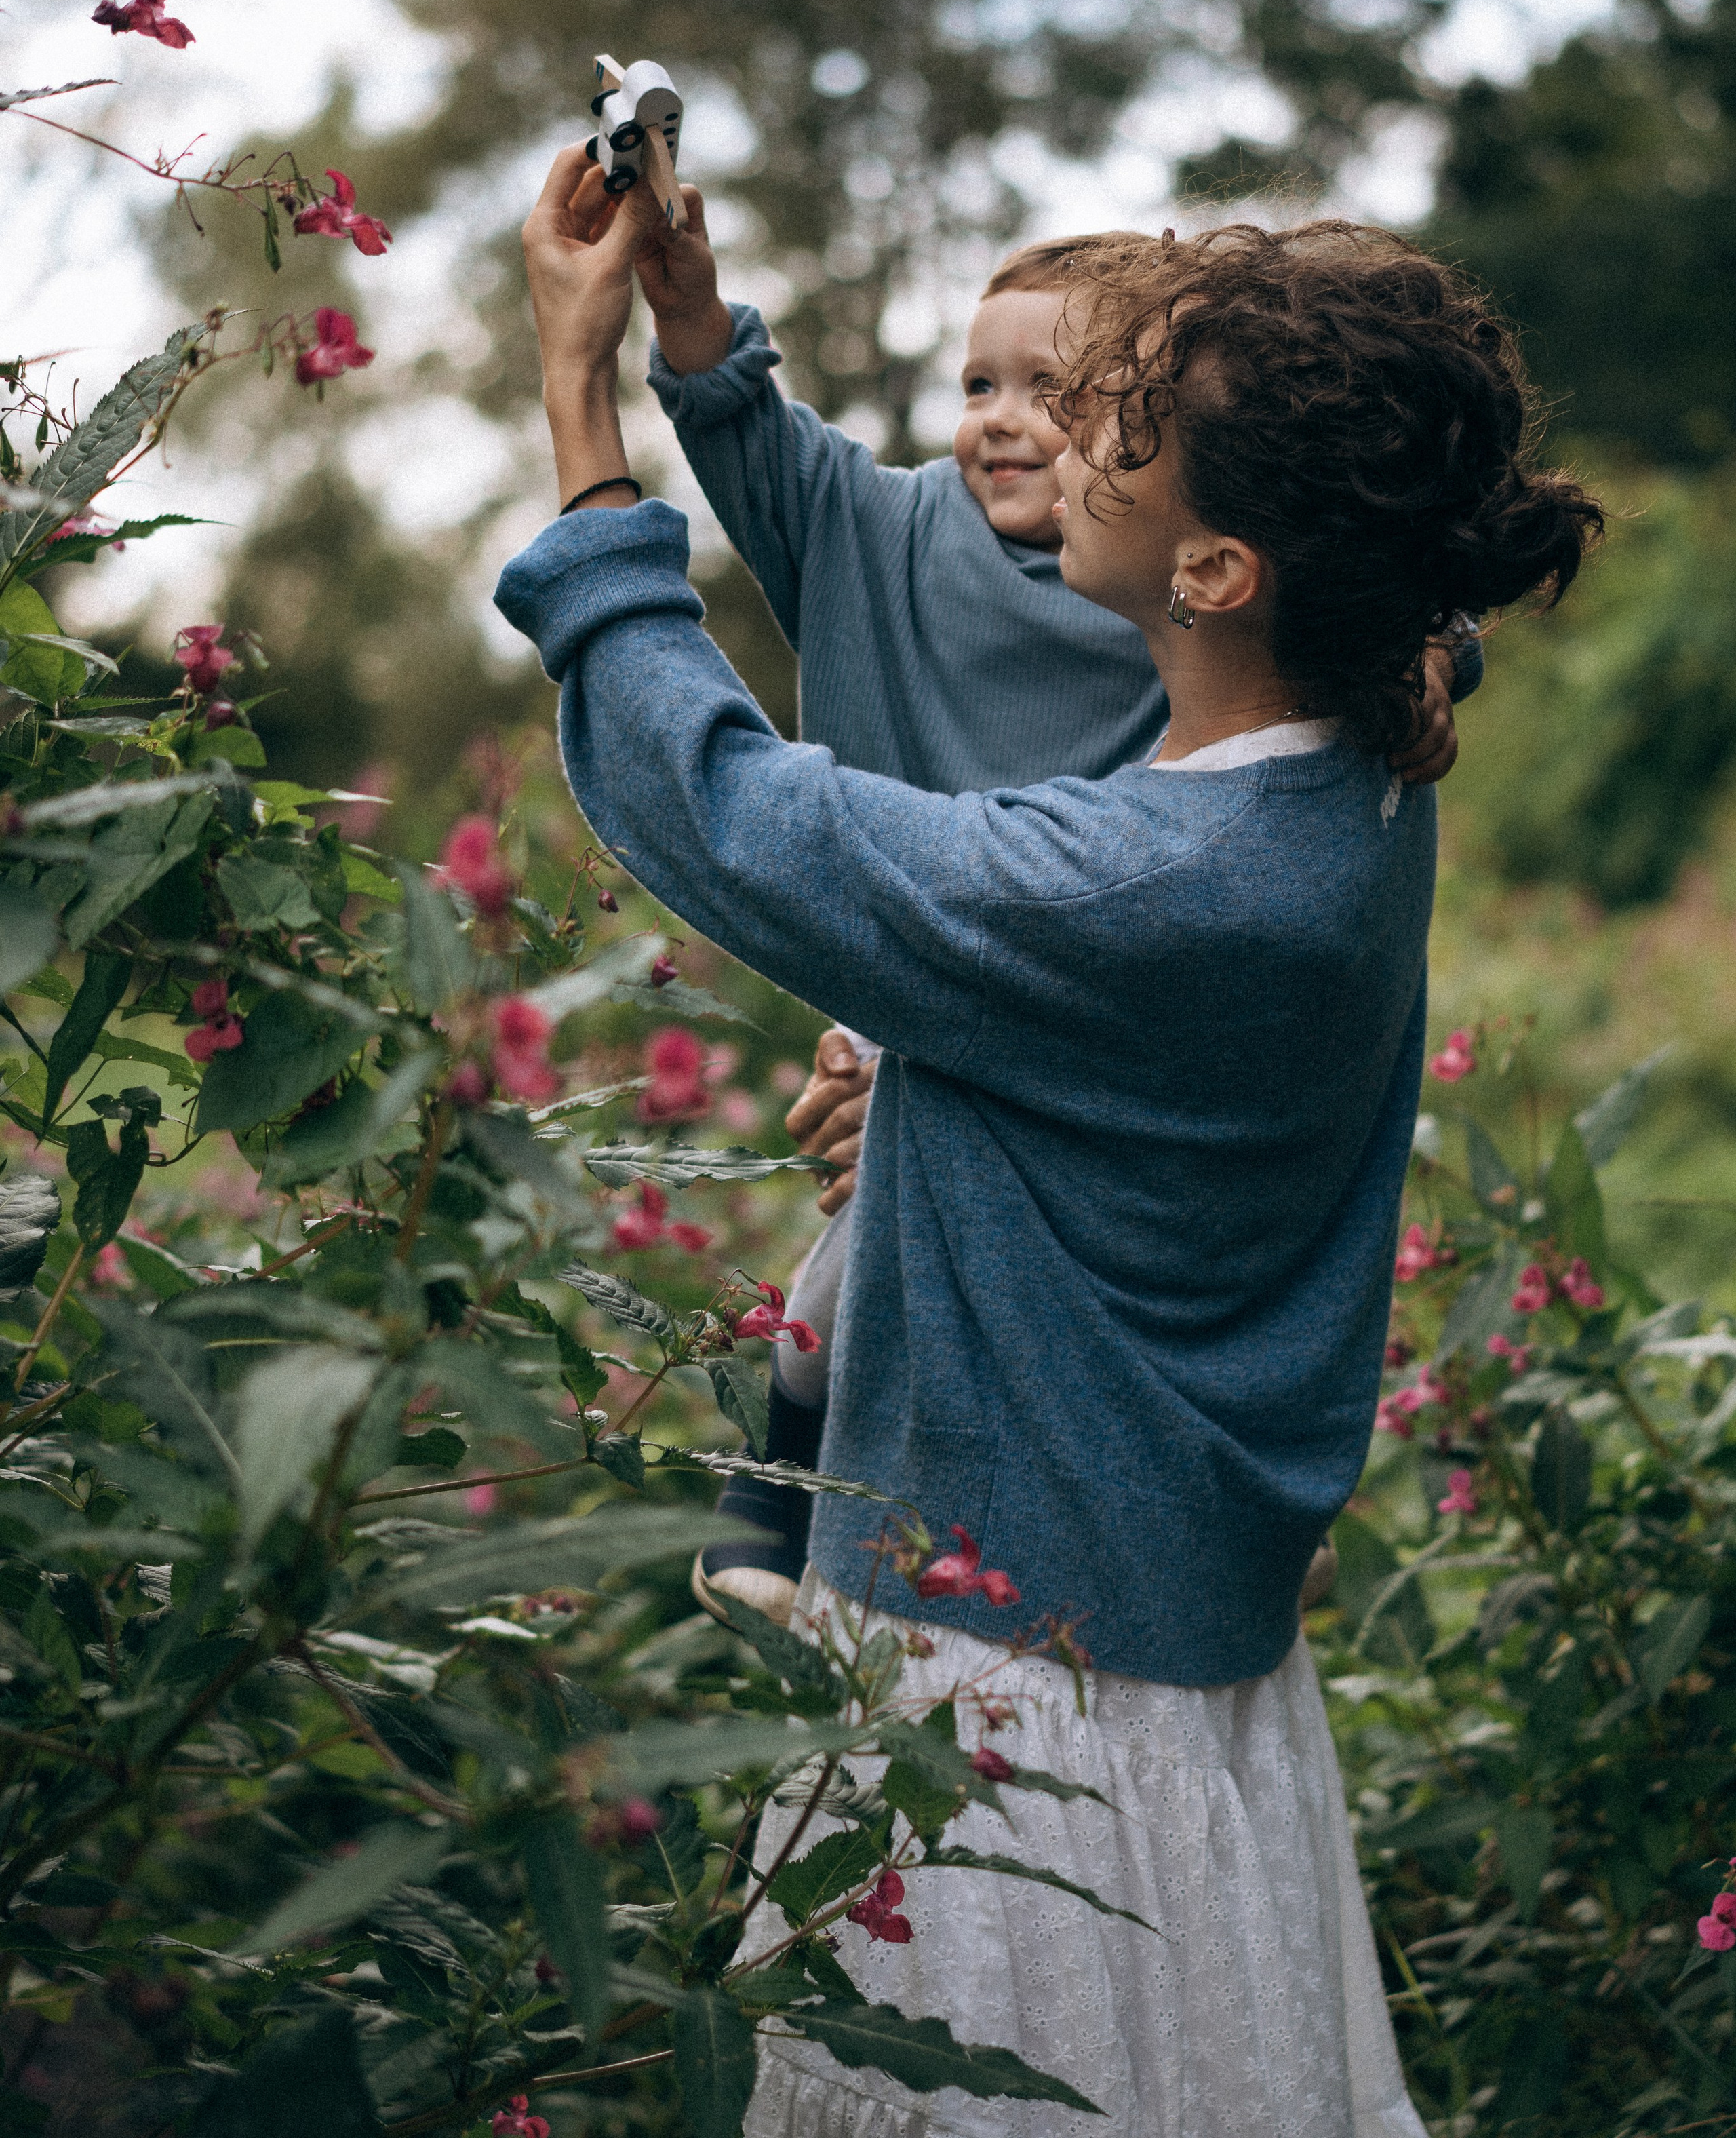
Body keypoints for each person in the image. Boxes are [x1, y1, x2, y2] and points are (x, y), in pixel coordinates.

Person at [496, 149, 1600, 2135]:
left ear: (1217, 572)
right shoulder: (1351, 774)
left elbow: (730, 808)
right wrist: (937, 1072)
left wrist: (583, 399)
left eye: (1120, 422)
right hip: (1169, 1664)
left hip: (1014, 1696)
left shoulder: (1148, 879)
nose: (1059, 439)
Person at [639, 218, 1482, 1620]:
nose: (1006, 421)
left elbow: (1336, 570)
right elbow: (741, 428)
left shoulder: (1160, 576)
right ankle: (782, 1490)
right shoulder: (884, 530)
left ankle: (1226, 1513)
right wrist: (685, 302)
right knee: (869, 1266)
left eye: (1060, 392)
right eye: (979, 385)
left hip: (1109, 987)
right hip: (925, 953)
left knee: (1196, 1248)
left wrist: (1433, 647)